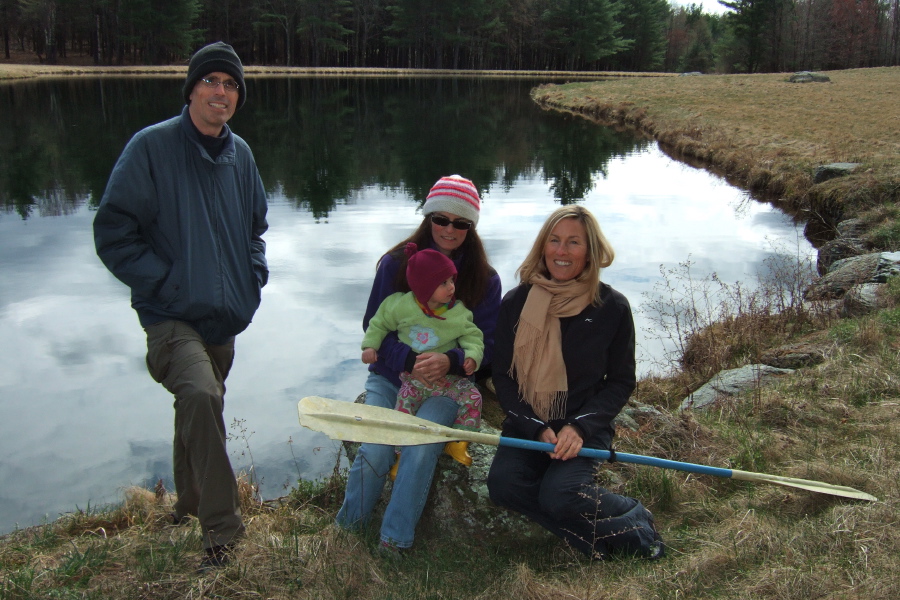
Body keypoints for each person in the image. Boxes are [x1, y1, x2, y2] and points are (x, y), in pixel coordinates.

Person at [92, 41, 268, 571]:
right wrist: (165, 282)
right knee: (197, 392)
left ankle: (187, 504)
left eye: (231, 84)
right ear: (191, 89)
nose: (222, 92)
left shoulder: (241, 157)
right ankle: (223, 535)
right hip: (169, 312)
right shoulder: (152, 148)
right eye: (211, 81)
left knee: (199, 407)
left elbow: (256, 229)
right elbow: (113, 231)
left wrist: (252, 277)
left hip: (224, 313)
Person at [487, 205, 664, 560]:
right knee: (503, 486)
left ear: (591, 252)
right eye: (553, 240)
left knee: (560, 495)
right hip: (528, 424)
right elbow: (502, 375)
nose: (561, 251)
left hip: (584, 426)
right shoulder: (516, 302)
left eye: (573, 242)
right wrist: (533, 426)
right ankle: (598, 542)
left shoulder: (612, 307)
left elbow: (620, 381)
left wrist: (579, 428)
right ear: (542, 246)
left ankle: (635, 522)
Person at [337, 174, 502, 553]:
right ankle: (347, 533)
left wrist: (452, 360)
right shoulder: (395, 264)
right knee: (377, 446)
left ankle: (394, 541)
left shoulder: (485, 280)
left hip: (448, 388)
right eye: (441, 219)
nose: (449, 229)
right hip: (391, 378)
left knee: (421, 446)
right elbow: (373, 327)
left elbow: (489, 344)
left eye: (461, 222)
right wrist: (409, 360)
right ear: (427, 217)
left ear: (471, 226)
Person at [362, 242, 485, 470]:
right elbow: (378, 324)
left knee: (474, 398)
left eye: (451, 281)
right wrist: (370, 346)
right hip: (412, 381)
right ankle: (400, 456)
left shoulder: (458, 312)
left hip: (447, 381)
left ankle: (459, 440)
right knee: (403, 413)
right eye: (443, 283)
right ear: (425, 287)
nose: (451, 288)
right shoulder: (399, 306)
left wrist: (471, 356)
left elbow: (473, 336)